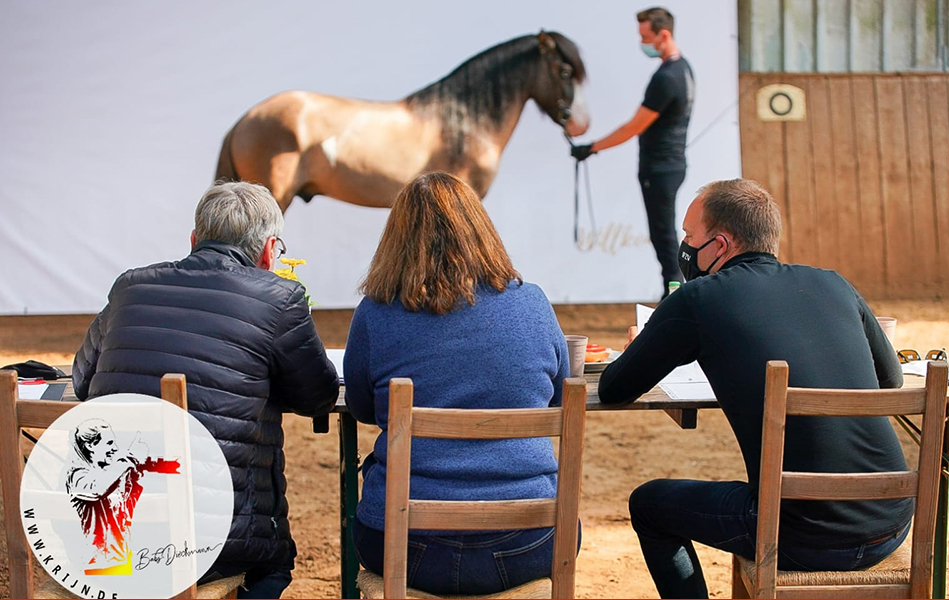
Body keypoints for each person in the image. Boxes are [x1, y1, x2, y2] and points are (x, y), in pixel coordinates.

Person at [598, 179, 910, 598]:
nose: (685, 245)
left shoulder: (698, 299)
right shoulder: (833, 283)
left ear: (720, 244)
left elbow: (615, 388)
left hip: (802, 538)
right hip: (892, 521)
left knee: (649, 505)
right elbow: (890, 380)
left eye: (690, 236)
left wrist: (641, 345)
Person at [73, 181, 339, 598]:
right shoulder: (280, 298)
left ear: (195, 240)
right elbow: (318, 396)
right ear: (271, 251)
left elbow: (82, 381)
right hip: (219, 541)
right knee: (272, 567)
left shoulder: (128, 287)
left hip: (113, 534)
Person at [344, 172, 571, 595]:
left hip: (405, 545)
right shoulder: (533, 303)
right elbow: (555, 397)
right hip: (530, 540)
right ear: (482, 230)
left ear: (396, 240)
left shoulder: (375, 314)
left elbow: (360, 408)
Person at [571, 7, 695, 299]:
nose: (642, 43)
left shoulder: (666, 78)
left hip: (660, 169)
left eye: (645, 36)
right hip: (671, 166)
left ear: (663, 35)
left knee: (664, 238)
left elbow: (634, 126)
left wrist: (592, 147)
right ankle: (676, 295)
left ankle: (674, 298)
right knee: (665, 236)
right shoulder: (684, 69)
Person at [65, 420, 180, 576]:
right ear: (90, 445)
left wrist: (134, 475)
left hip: (120, 560)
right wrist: (128, 460)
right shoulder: (78, 475)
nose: (115, 448)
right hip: (102, 566)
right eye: (110, 443)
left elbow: (124, 510)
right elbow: (96, 489)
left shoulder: (106, 471)